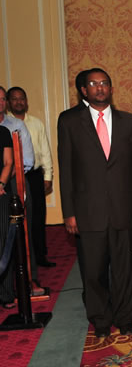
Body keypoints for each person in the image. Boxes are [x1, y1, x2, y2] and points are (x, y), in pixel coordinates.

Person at [57, 68, 132, 338]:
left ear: (111, 88)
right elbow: (66, 169)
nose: (99, 88)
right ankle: (101, 320)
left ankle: (125, 317)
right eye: (93, 84)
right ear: (84, 90)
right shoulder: (69, 121)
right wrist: (69, 213)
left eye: (104, 83)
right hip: (88, 212)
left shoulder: (130, 122)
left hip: (124, 208)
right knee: (93, 271)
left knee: (124, 269)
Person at [6, 86, 55, 268]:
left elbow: (45, 150)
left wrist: (48, 175)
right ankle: (18, 257)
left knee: (38, 216)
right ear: (9, 103)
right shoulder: (5, 125)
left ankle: (40, 256)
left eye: (22, 99)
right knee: (16, 217)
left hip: (33, 175)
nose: (19, 102)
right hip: (11, 176)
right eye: (14, 99)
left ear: (26, 102)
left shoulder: (36, 123)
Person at [0, 103, 15, 304]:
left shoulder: (3, 132)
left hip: (1, 191)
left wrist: (1, 183)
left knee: (3, 243)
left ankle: (5, 293)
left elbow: (9, 162)